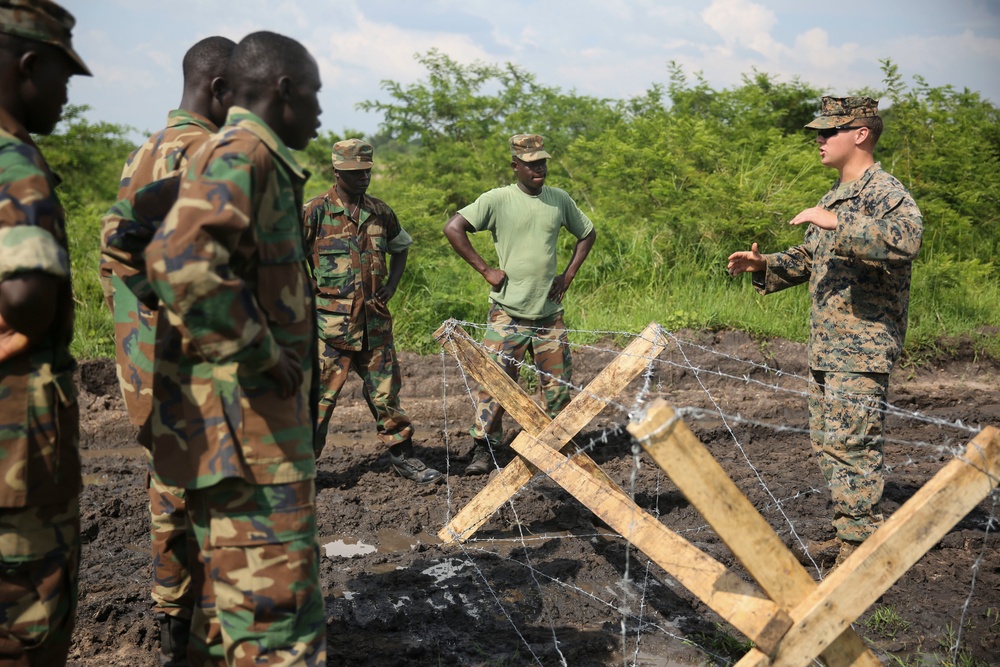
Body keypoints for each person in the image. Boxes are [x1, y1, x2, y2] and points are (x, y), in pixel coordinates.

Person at [143, 31, 326, 666]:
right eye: (313, 95)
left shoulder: (236, 154)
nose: (320, 112)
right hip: (252, 444)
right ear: (284, 91)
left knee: (225, 628)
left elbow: (133, 237)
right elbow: (179, 258)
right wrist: (260, 355)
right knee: (277, 634)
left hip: (245, 436)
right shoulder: (244, 153)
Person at [727, 96, 922, 567]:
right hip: (828, 347)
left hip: (863, 345)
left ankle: (861, 551)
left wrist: (839, 222)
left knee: (854, 444)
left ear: (860, 135)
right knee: (830, 444)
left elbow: (906, 240)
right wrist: (765, 263)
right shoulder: (834, 196)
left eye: (829, 132)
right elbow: (813, 256)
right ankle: (849, 533)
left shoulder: (883, 191)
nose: (820, 139)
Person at [99, 35, 235, 667]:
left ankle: (172, 620)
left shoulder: (140, 156)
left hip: (146, 367)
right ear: (219, 90)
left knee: (169, 487)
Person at [0, 1, 90, 664]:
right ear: (29, 65)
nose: (66, 93)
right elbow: (27, 296)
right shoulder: (16, 164)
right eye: (62, 76)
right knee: (27, 630)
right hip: (18, 456)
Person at [443, 134, 596, 475]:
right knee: (494, 384)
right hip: (507, 314)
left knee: (557, 388)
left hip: (549, 315)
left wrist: (568, 275)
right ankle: (487, 450)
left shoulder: (559, 199)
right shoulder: (498, 199)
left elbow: (587, 233)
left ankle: (552, 446)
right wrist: (485, 269)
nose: (538, 169)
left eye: (542, 162)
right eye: (530, 164)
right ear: (516, 166)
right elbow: (454, 228)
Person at [303, 139, 443, 484]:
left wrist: (392, 286)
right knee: (317, 403)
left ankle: (403, 458)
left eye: (366, 171)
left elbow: (401, 247)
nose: (362, 177)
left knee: (387, 398)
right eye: (354, 173)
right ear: (336, 172)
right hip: (330, 329)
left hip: (375, 324)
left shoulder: (380, 212)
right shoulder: (314, 211)